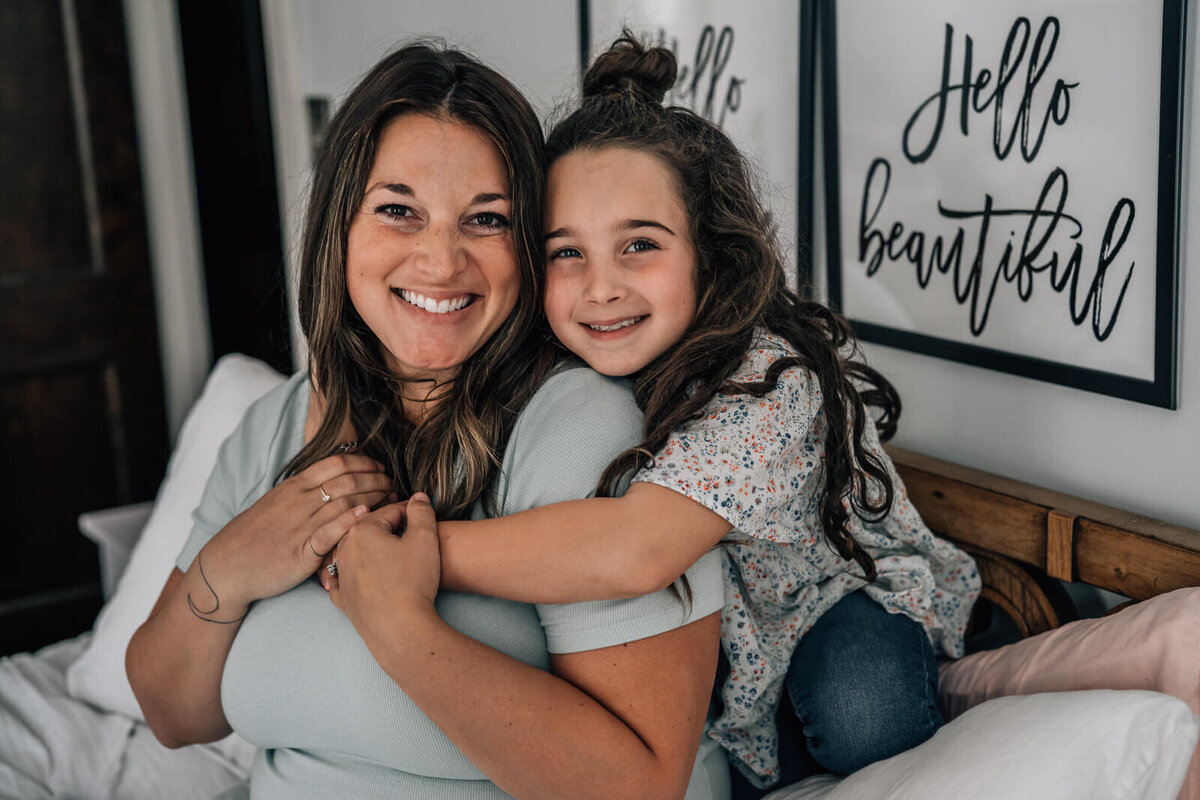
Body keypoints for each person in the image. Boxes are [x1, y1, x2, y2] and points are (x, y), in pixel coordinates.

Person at [126, 42, 730, 799]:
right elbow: (174, 715)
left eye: (487, 219)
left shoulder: (576, 431)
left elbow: (639, 787)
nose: (441, 261)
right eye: (398, 211)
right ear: (339, 226)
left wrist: (403, 632)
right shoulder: (274, 426)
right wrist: (230, 565)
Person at [426, 34, 982, 795]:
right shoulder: (566, 370)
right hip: (726, 635)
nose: (600, 288)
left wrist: (422, 554)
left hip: (830, 599)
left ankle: (958, 678)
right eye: (566, 253)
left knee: (862, 709)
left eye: (639, 246)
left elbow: (636, 550)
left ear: (710, 253)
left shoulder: (771, 381)